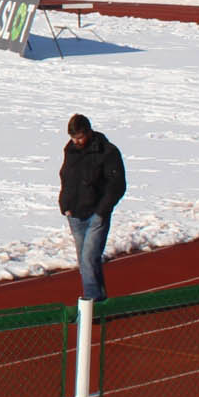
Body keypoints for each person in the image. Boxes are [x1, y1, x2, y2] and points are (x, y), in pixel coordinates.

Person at [57, 113, 127, 302]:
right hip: (75, 215)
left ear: (88, 132)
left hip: (96, 216)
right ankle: (100, 299)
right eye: (73, 138)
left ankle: (91, 303)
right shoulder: (70, 150)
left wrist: (101, 211)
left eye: (80, 137)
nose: (76, 141)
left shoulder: (108, 151)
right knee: (86, 261)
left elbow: (117, 185)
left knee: (89, 258)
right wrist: (65, 205)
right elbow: (67, 177)